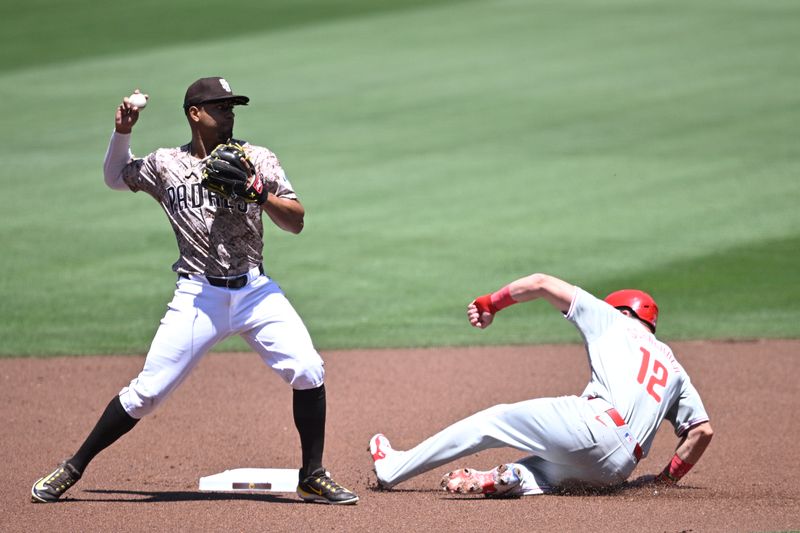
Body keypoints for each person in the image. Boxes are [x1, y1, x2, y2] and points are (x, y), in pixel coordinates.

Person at [31, 76, 358, 505]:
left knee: (309, 370)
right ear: (194, 114)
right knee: (146, 393)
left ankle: (312, 474)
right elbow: (115, 177)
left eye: (233, 107)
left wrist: (259, 193)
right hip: (197, 297)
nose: (229, 114)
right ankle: (73, 467)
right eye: (221, 107)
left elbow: (295, 221)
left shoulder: (257, 158)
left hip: (255, 292)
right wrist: (123, 131)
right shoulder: (166, 164)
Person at [369, 273, 713, 496]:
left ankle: (393, 468)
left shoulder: (614, 320)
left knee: (493, 420)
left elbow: (541, 283)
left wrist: (490, 303)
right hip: (616, 470)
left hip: (594, 426)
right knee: (547, 467)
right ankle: (514, 477)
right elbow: (701, 432)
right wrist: (665, 481)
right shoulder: (674, 367)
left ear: (624, 312)